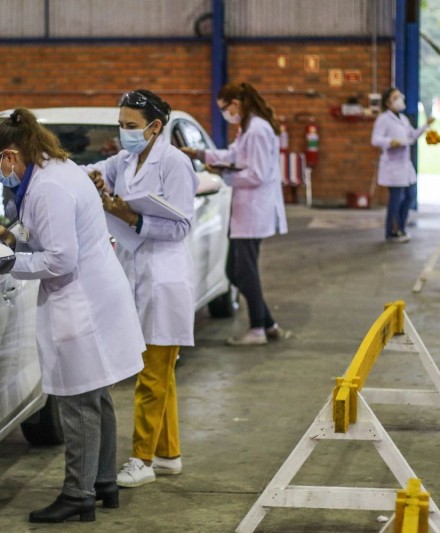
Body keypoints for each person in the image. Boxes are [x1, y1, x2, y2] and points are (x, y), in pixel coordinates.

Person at [0, 108, 145, 523]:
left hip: (81, 301)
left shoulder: (49, 186)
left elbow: (59, 259)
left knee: (78, 402)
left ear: (11, 155)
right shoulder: (56, 169)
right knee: (97, 395)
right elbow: (43, 225)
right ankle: (104, 483)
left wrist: (3, 262)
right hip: (95, 293)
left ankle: (78, 495)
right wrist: (13, 233)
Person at [84, 90, 198, 488]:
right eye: (121, 125)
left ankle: (142, 458)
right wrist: (93, 178)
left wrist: (130, 216)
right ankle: (168, 454)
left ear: (155, 127)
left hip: (165, 279)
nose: (124, 132)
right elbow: (97, 170)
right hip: (136, 273)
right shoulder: (128, 158)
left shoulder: (176, 163)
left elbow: (182, 225)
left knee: (151, 374)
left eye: (131, 126)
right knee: (158, 373)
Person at [181, 82, 288, 346]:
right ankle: (269, 323)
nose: (225, 114)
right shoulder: (249, 128)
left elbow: (256, 174)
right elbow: (234, 153)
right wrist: (200, 152)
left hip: (254, 210)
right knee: (238, 270)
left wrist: (223, 173)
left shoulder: (258, 130)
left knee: (242, 271)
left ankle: (258, 329)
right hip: (247, 209)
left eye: (224, 109)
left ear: (236, 103)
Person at [371, 87, 434, 242]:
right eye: (396, 97)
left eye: (400, 96)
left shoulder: (403, 119)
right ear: (388, 102)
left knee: (410, 196)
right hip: (392, 165)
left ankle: (401, 227)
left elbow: (412, 135)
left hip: (405, 165)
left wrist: (426, 125)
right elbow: (375, 140)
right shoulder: (383, 119)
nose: (400, 100)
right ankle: (392, 232)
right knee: (395, 199)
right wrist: (390, 142)